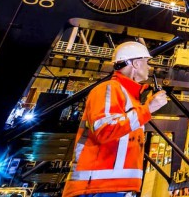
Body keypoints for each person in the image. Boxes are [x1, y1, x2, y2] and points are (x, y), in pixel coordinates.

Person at [63, 41, 168, 197]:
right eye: (147, 62)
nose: (149, 67)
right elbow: (104, 130)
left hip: (116, 188)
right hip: (98, 188)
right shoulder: (108, 89)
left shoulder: (130, 98)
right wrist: (148, 109)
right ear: (136, 63)